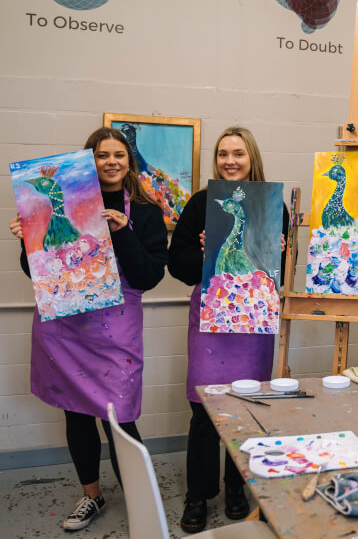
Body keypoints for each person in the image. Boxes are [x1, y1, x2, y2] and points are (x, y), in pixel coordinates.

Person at [9, 127, 168, 531]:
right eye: (102, 155)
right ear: (90, 161)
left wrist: (123, 233)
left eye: (119, 155)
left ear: (129, 161)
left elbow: (149, 276)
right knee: (77, 414)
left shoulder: (146, 212)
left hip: (117, 332)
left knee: (121, 417)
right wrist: (28, 240)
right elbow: (36, 271)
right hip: (65, 325)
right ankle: (92, 496)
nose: (112, 161)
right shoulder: (65, 205)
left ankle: (139, 496)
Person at [168, 126, 288, 534]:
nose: (230, 161)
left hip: (253, 321)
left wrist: (282, 256)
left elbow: (279, 277)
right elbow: (177, 265)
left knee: (247, 407)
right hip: (211, 321)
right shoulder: (201, 202)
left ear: (251, 157)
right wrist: (202, 253)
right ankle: (198, 494)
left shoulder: (273, 206)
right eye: (222, 154)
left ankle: (237, 487)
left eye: (238, 153)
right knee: (204, 409)